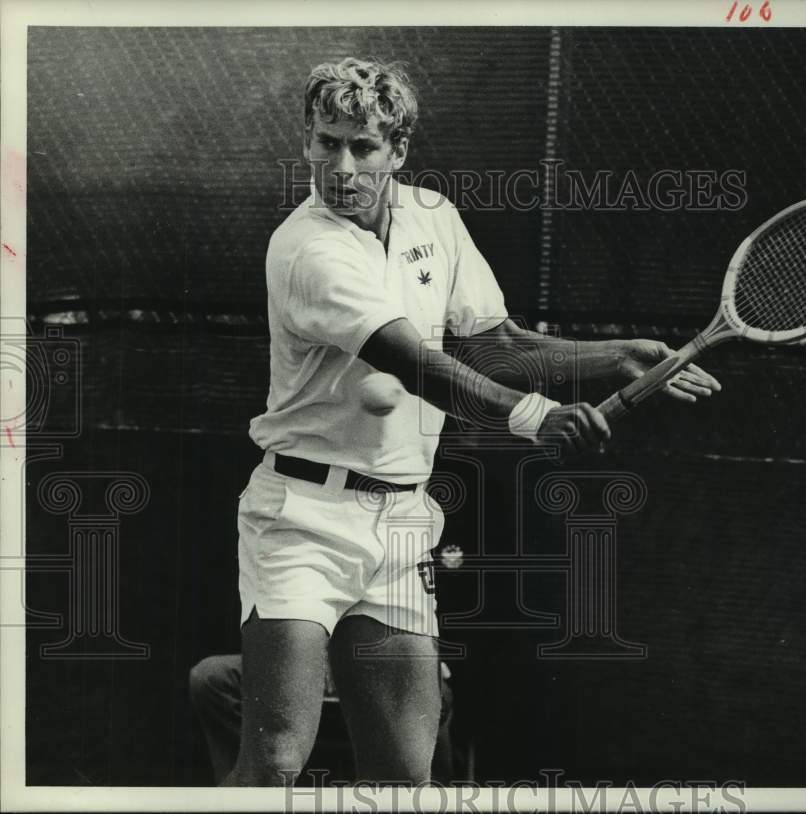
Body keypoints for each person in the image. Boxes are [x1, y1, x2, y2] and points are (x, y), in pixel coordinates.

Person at [223, 56, 720, 787]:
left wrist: (619, 355)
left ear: (398, 151)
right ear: (305, 142)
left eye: (363, 147)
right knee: (274, 756)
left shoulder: (434, 218)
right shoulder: (307, 249)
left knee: (405, 773)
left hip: (399, 525)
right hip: (302, 520)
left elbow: (494, 345)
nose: (342, 165)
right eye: (325, 142)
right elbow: (416, 363)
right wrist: (534, 416)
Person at [189, 654, 458, 784]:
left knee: (435, 691)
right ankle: (249, 795)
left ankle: (425, 799)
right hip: (298, 657)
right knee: (212, 677)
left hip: (377, 665)